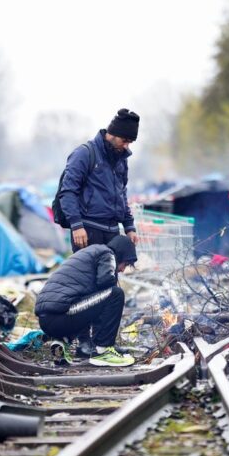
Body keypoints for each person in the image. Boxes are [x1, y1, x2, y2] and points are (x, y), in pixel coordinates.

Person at [35, 234, 137, 367]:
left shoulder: (88, 254)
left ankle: (61, 341)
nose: (123, 269)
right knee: (115, 294)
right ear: (121, 254)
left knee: (87, 300)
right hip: (63, 314)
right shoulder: (108, 253)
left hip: (46, 321)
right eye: (126, 264)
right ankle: (104, 351)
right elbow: (105, 281)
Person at [60, 108, 140, 253]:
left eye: (130, 142)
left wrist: (129, 226)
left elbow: (121, 194)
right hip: (87, 231)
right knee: (87, 276)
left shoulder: (122, 160)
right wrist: (76, 225)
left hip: (113, 233)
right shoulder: (84, 154)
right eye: (125, 141)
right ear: (113, 134)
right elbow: (68, 192)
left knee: (110, 276)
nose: (127, 146)